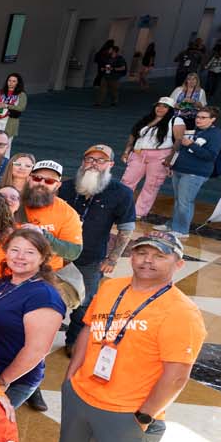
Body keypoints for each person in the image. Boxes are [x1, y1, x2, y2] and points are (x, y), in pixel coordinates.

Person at [36, 233, 205, 442]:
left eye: (158, 256)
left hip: (128, 410)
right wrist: (72, 375)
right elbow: (88, 330)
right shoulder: (113, 288)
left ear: (178, 264)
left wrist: (144, 416)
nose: (147, 260)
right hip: (85, 394)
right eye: (141, 253)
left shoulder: (181, 312)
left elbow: (177, 375)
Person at [0, 228, 68, 409]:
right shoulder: (3, 282)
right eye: (15, 250)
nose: (20, 256)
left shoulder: (44, 296)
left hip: (12, 380)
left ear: (42, 258)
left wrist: (3, 381)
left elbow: (36, 350)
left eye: (29, 252)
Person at [61, 145, 137, 353]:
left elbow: (126, 229)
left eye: (101, 160)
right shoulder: (66, 187)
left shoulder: (121, 193)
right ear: (82, 162)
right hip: (57, 256)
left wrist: (112, 259)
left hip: (91, 258)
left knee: (85, 303)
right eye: (90, 159)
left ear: (111, 165)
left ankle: (73, 341)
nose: (94, 163)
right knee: (49, 296)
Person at [121, 97, 186, 220]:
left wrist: (170, 157)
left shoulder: (176, 120)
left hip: (160, 156)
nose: (160, 108)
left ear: (170, 109)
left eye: (165, 106)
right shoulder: (147, 119)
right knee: (127, 181)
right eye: (159, 105)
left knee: (151, 185)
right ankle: (120, 207)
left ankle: (139, 211)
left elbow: (178, 140)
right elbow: (134, 135)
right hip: (138, 154)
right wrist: (126, 151)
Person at [167, 105, 221, 240]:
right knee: (178, 200)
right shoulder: (197, 130)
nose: (199, 120)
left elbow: (210, 156)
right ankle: (173, 225)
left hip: (194, 173)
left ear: (213, 119)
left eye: (203, 118)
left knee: (185, 202)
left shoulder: (216, 134)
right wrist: (173, 165)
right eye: (198, 117)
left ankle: (181, 230)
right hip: (180, 169)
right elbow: (182, 150)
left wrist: (190, 145)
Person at [21, 160, 84, 268]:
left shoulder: (67, 213)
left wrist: (43, 236)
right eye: (37, 178)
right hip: (8, 270)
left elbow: (74, 252)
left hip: (46, 273)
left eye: (49, 181)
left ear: (58, 185)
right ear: (29, 178)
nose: (41, 183)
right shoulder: (12, 202)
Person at [0, 73, 28, 140]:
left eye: (14, 81)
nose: (11, 83)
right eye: (9, 80)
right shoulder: (0, 92)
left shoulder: (21, 94)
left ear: (18, 83)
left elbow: (22, 108)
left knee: (6, 142)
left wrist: (7, 105)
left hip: (9, 120)